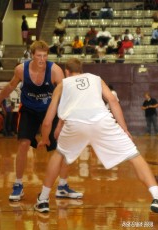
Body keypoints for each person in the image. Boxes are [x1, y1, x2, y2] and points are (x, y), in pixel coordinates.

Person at [34, 58, 158, 214]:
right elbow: (112, 100)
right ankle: (156, 196)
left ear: (66, 72)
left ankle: (43, 200)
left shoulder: (62, 85)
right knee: (134, 155)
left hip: (75, 124)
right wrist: (124, 129)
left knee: (59, 155)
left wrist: (45, 138)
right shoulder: (96, 79)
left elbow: (47, 120)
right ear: (82, 69)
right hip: (102, 121)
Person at [0, 40, 83, 202]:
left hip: (49, 110)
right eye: (39, 56)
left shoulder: (55, 70)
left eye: (45, 56)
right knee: (23, 143)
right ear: (32, 56)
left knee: (62, 147)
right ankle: (18, 184)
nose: (42, 59)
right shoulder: (21, 70)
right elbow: (10, 87)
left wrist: (68, 114)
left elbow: (66, 94)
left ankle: (63, 186)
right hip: (29, 110)